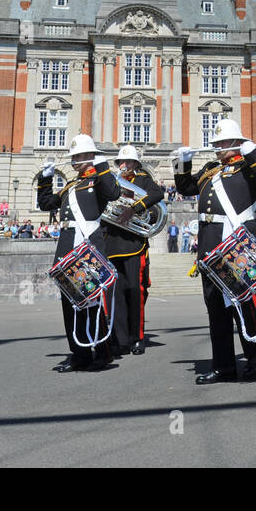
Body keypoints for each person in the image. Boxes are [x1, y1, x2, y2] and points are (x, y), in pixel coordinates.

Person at [174, 119, 256, 384]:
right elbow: (185, 188)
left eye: (223, 143)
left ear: (237, 143)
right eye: (216, 144)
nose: (218, 148)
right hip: (211, 248)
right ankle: (223, 366)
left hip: (237, 247)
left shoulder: (248, 168)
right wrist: (182, 164)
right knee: (216, 312)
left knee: (245, 307)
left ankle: (254, 361)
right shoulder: (211, 170)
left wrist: (253, 154)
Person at [36, 134, 122, 373]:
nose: (75, 161)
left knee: (92, 301)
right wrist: (45, 178)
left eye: (80, 157)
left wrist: (100, 165)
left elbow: (113, 193)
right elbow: (46, 204)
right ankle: (79, 354)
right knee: (70, 303)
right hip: (67, 246)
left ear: (90, 157)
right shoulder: (71, 186)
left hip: (87, 245)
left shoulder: (99, 181)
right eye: (74, 157)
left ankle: (102, 352)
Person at [103, 144, 165, 356]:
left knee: (135, 291)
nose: (124, 165)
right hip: (111, 243)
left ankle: (136, 337)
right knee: (115, 294)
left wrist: (135, 208)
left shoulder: (143, 181)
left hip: (133, 244)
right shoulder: (111, 183)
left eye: (128, 162)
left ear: (136, 164)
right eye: (121, 162)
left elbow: (158, 194)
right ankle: (119, 338)